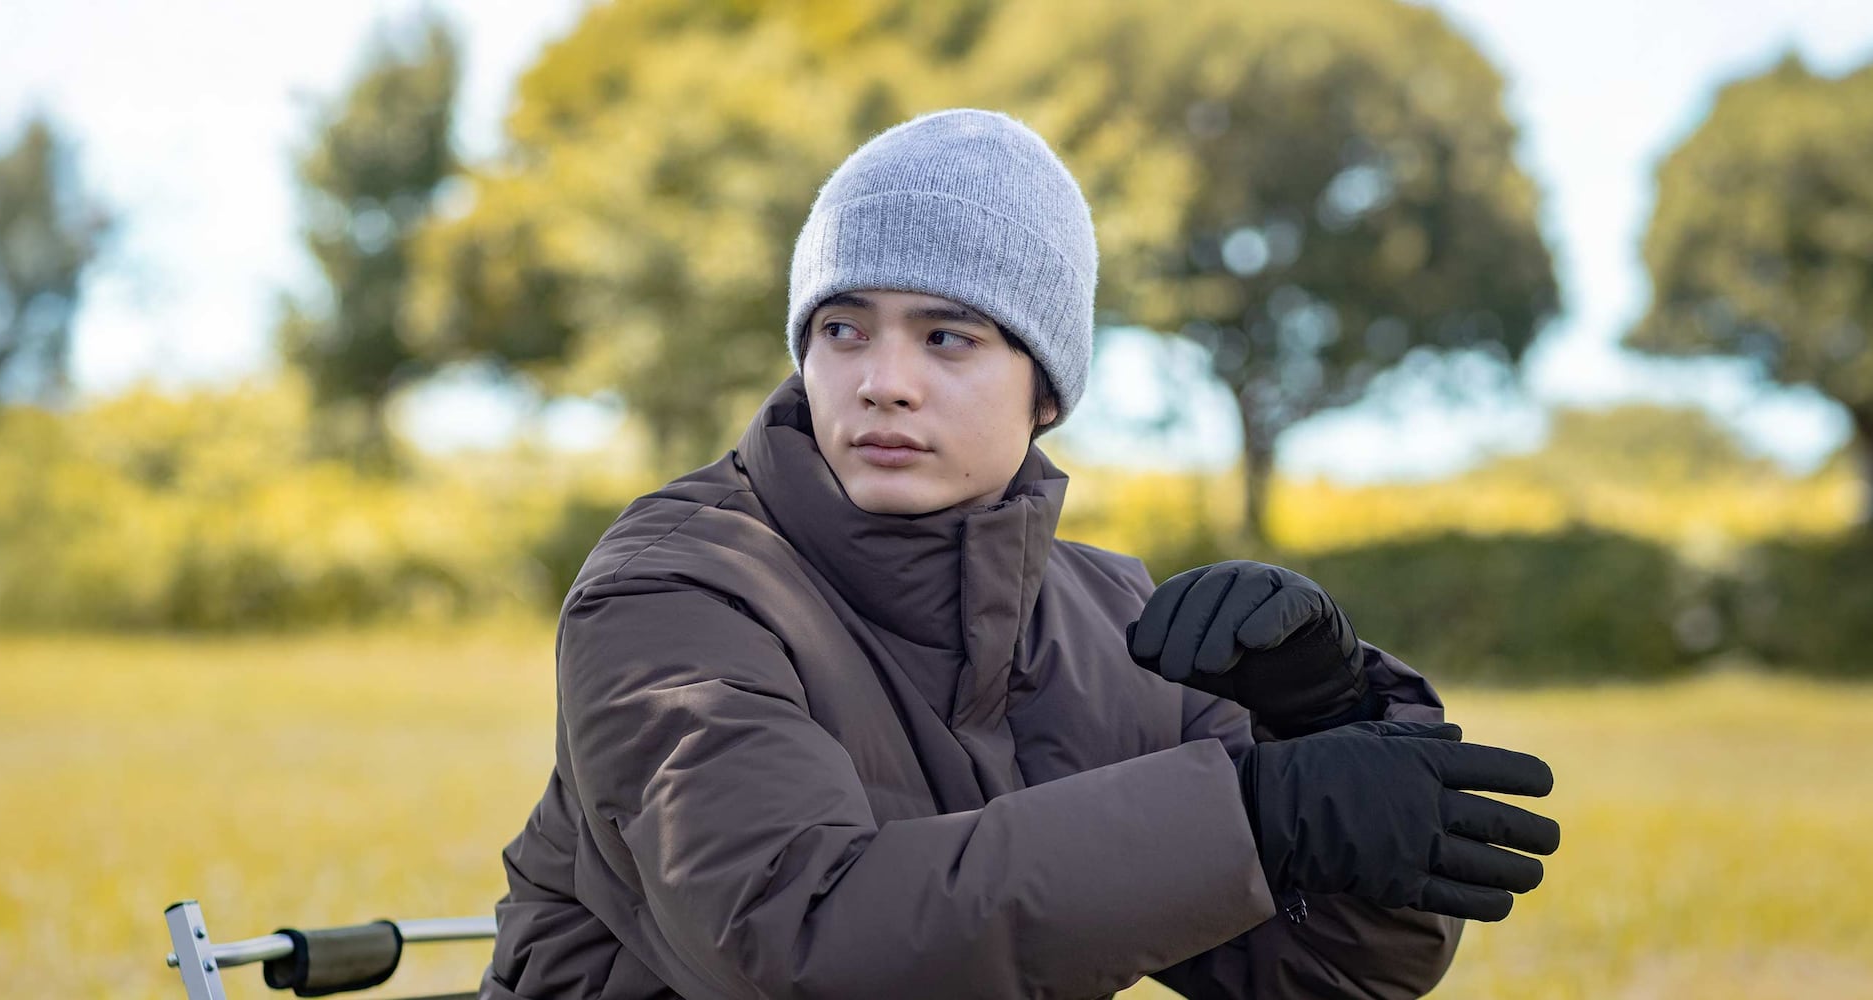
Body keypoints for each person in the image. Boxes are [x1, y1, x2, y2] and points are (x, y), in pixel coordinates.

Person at [479, 108, 1560, 1000]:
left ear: (1043, 388)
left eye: (947, 336)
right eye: (842, 329)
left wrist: (1323, 714)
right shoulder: (676, 585)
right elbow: (792, 941)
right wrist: (1247, 812)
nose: (881, 379)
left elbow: (1333, 976)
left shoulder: (1112, 620)